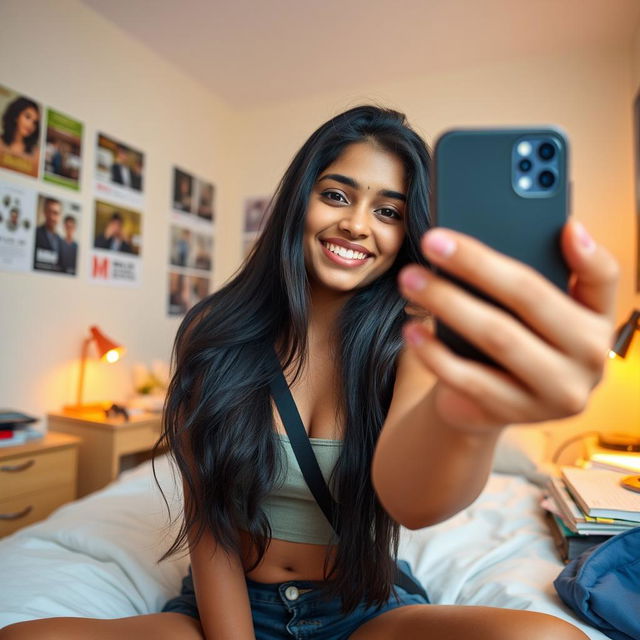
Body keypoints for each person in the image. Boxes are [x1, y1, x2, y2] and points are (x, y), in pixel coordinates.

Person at [0, 106, 618, 640]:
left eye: (388, 210)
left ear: (407, 232)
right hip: (233, 606)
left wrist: (476, 414)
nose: (356, 224)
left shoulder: (413, 344)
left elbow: (414, 501)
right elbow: (208, 521)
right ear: (302, 201)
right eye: (338, 195)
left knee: (546, 634)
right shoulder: (214, 332)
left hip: (361, 611)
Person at [0, 95, 41, 177]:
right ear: (16, 116)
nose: (30, 125)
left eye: (34, 122)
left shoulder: (36, 154)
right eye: (27, 117)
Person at [33, 197, 63, 271]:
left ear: (59, 215)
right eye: (49, 211)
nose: (52, 217)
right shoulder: (35, 234)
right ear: (44, 212)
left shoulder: (60, 240)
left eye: (55, 213)